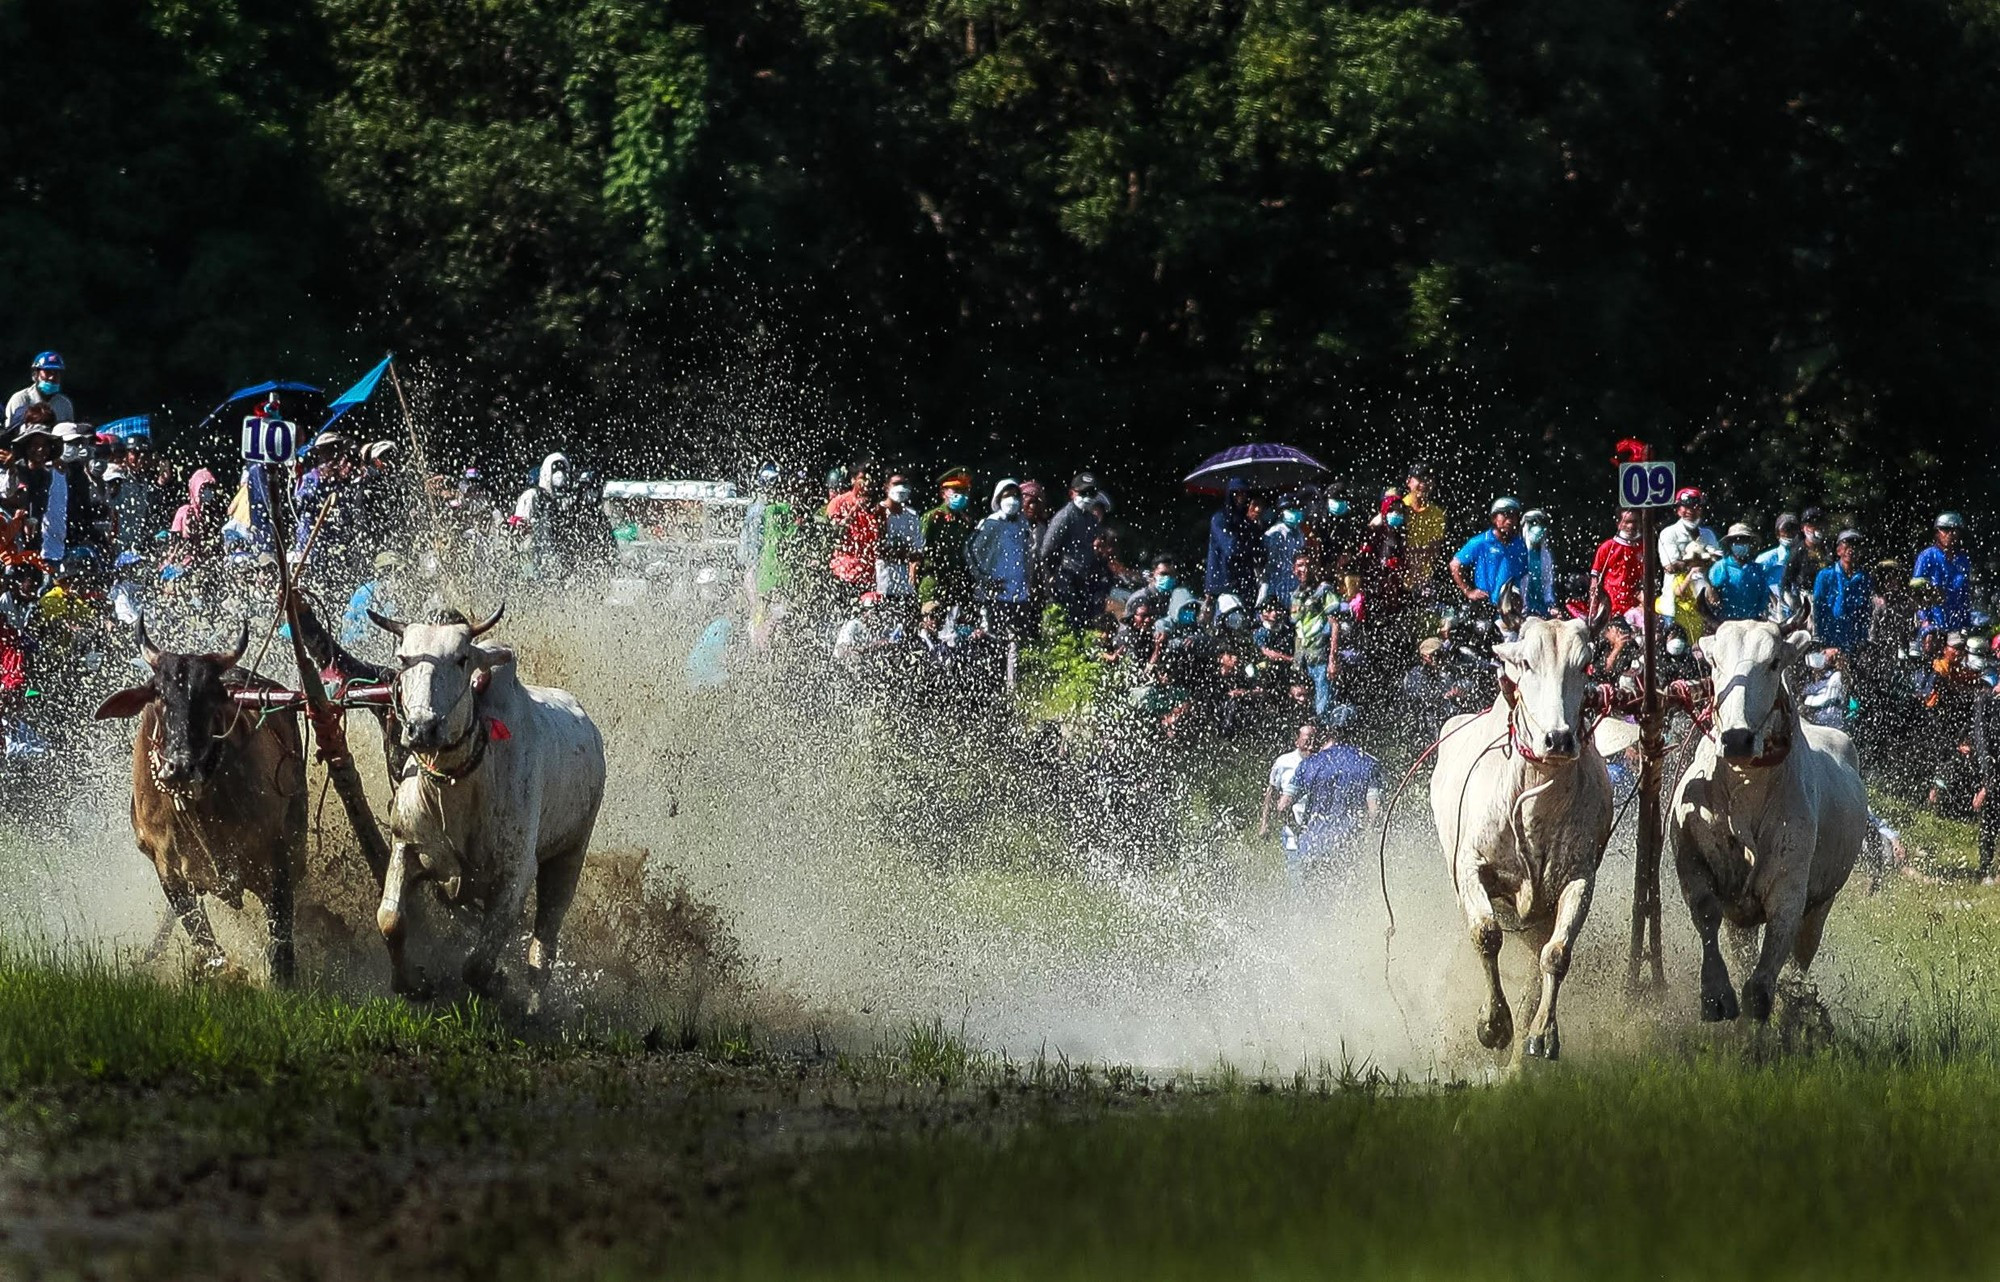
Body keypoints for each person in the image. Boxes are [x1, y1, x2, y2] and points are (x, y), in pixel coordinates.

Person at [1278, 704, 1382, 891]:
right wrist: (1368, 839)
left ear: (1329, 731)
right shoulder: (1368, 764)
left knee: (1312, 901)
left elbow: (1283, 806)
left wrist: (1299, 831)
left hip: (1312, 847)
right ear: (1358, 730)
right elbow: (1374, 811)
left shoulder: (1309, 764)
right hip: (1348, 849)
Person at [1039, 471, 1107, 625]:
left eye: (1091, 493)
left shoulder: (1091, 519)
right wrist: (1054, 575)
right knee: (1064, 624)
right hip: (1065, 579)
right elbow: (1047, 550)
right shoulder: (1065, 516)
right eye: (1083, 493)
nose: (1087, 497)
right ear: (1072, 493)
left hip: (1085, 581)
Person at [1258, 723, 1317, 876]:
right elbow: (1271, 793)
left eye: (1314, 741)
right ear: (1297, 741)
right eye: (1307, 741)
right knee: (1296, 877)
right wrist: (1265, 823)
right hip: (1292, 835)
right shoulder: (1283, 762)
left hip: (1317, 834)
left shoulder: (1322, 763)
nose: (1311, 746)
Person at [919, 467, 979, 614]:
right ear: (943, 493)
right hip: (933, 582)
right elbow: (919, 549)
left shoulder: (964, 522)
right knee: (930, 622)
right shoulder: (933, 518)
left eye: (964, 491)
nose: (961, 495)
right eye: (956, 490)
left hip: (957, 584)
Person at [1450, 497, 1529, 607]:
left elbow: (1526, 576)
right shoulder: (1481, 542)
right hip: (1484, 605)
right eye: (1505, 515)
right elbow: (1455, 565)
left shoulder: (1521, 545)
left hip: (1510, 606)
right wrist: (1468, 591)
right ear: (1494, 518)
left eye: (1513, 515)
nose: (1509, 520)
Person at [825, 461, 883, 601]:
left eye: (870, 479)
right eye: (863, 478)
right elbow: (833, 534)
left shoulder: (879, 509)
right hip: (843, 573)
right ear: (853, 480)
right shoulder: (839, 503)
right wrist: (854, 510)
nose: (867, 483)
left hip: (869, 577)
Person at [1813, 530, 1876, 654]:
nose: (1851, 550)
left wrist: (1862, 641)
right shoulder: (1825, 576)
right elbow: (1818, 611)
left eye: (1855, 546)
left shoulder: (1864, 579)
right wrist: (1823, 643)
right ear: (1838, 550)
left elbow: (1866, 613)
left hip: (1854, 643)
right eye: (1846, 545)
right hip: (1829, 642)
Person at [1914, 511, 1974, 636]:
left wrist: (1967, 624)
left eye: (1954, 530)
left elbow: (1965, 596)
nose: (1950, 534)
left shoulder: (1963, 560)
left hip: (1957, 624)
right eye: (1945, 530)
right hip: (1931, 622)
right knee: (1930, 639)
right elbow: (1917, 592)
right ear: (1937, 533)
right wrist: (1925, 621)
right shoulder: (1926, 556)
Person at [874, 471, 926, 612]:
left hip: (905, 585)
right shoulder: (878, 512)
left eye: (904, 484)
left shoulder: (912, 516)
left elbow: (917, 550)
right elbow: (877, 547)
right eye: (896, 484)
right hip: (882, 582)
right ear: (886, 487)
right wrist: (900, 551)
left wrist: (913, 565)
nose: (901, 488)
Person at [1205, 478, 1261, 606]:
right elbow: (1232, 549)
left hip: (1246, 584)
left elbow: (1259, 552)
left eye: (1244, 493)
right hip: (1223, 585)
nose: (1241, 497)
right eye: (1236, 493)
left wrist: (1253, 526)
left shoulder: (1247, 521)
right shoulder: (1220, 519)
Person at [1589, 509, 1645, 624]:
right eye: (1627, 521)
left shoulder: (1643, 547)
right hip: (1611, 607)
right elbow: (1595, 581)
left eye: (1635, 521)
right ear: (1619, 523)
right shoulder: (1607, 547)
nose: (1631, 526)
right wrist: (1594, 607)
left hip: (1635, 609)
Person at [1707, 523, 1772, 622]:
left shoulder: (1758, 569)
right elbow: (1710, 596)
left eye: (1744, 540)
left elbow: (1764, 597)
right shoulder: (1720, 567)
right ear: (1730, 543)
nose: (1740, 543)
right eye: (1736, 540)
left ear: (1750, 544)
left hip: (1753, 623)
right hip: (1726, 623)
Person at [1400, 463, 1447, 597]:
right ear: (1408, 482)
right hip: (1398, 576)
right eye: (1420, 479)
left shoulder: (1437, 514)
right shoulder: (1399, 508)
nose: (1424, 483)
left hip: (1423, 580)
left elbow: (1434, 549)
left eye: (1428, 479)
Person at [1261, 496, 1308, 607]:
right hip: (1277, 583)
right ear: (1282, 512)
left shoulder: (1298, 532)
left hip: (1294, 582)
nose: (1295, 513)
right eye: (1291, 509)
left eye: (1297, 509)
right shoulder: (1274, 533)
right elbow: (1269, 564)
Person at [6, 353, 73, 430]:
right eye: (47, 372)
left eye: (56, 373)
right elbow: (10, 432)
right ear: (35, 374)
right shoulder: (20, 399)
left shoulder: (64, 404)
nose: (52, 377)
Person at [1756, 512, 1805, 613]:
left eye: (1793, 529)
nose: (1790, 534)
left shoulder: (1806, 558)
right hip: (1772, 615)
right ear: (1778, 534)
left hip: (1801, 614)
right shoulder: (1764, 560)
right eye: (1786, 530)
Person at [1520, 509, 1559, 616]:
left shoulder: (1546, 555)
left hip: (1542, 609)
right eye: (1532, 523)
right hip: (1522, 610)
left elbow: (1548, 583)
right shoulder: (1518, 553)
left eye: (1540, 524)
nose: (1537, 527)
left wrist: (1551, 605)